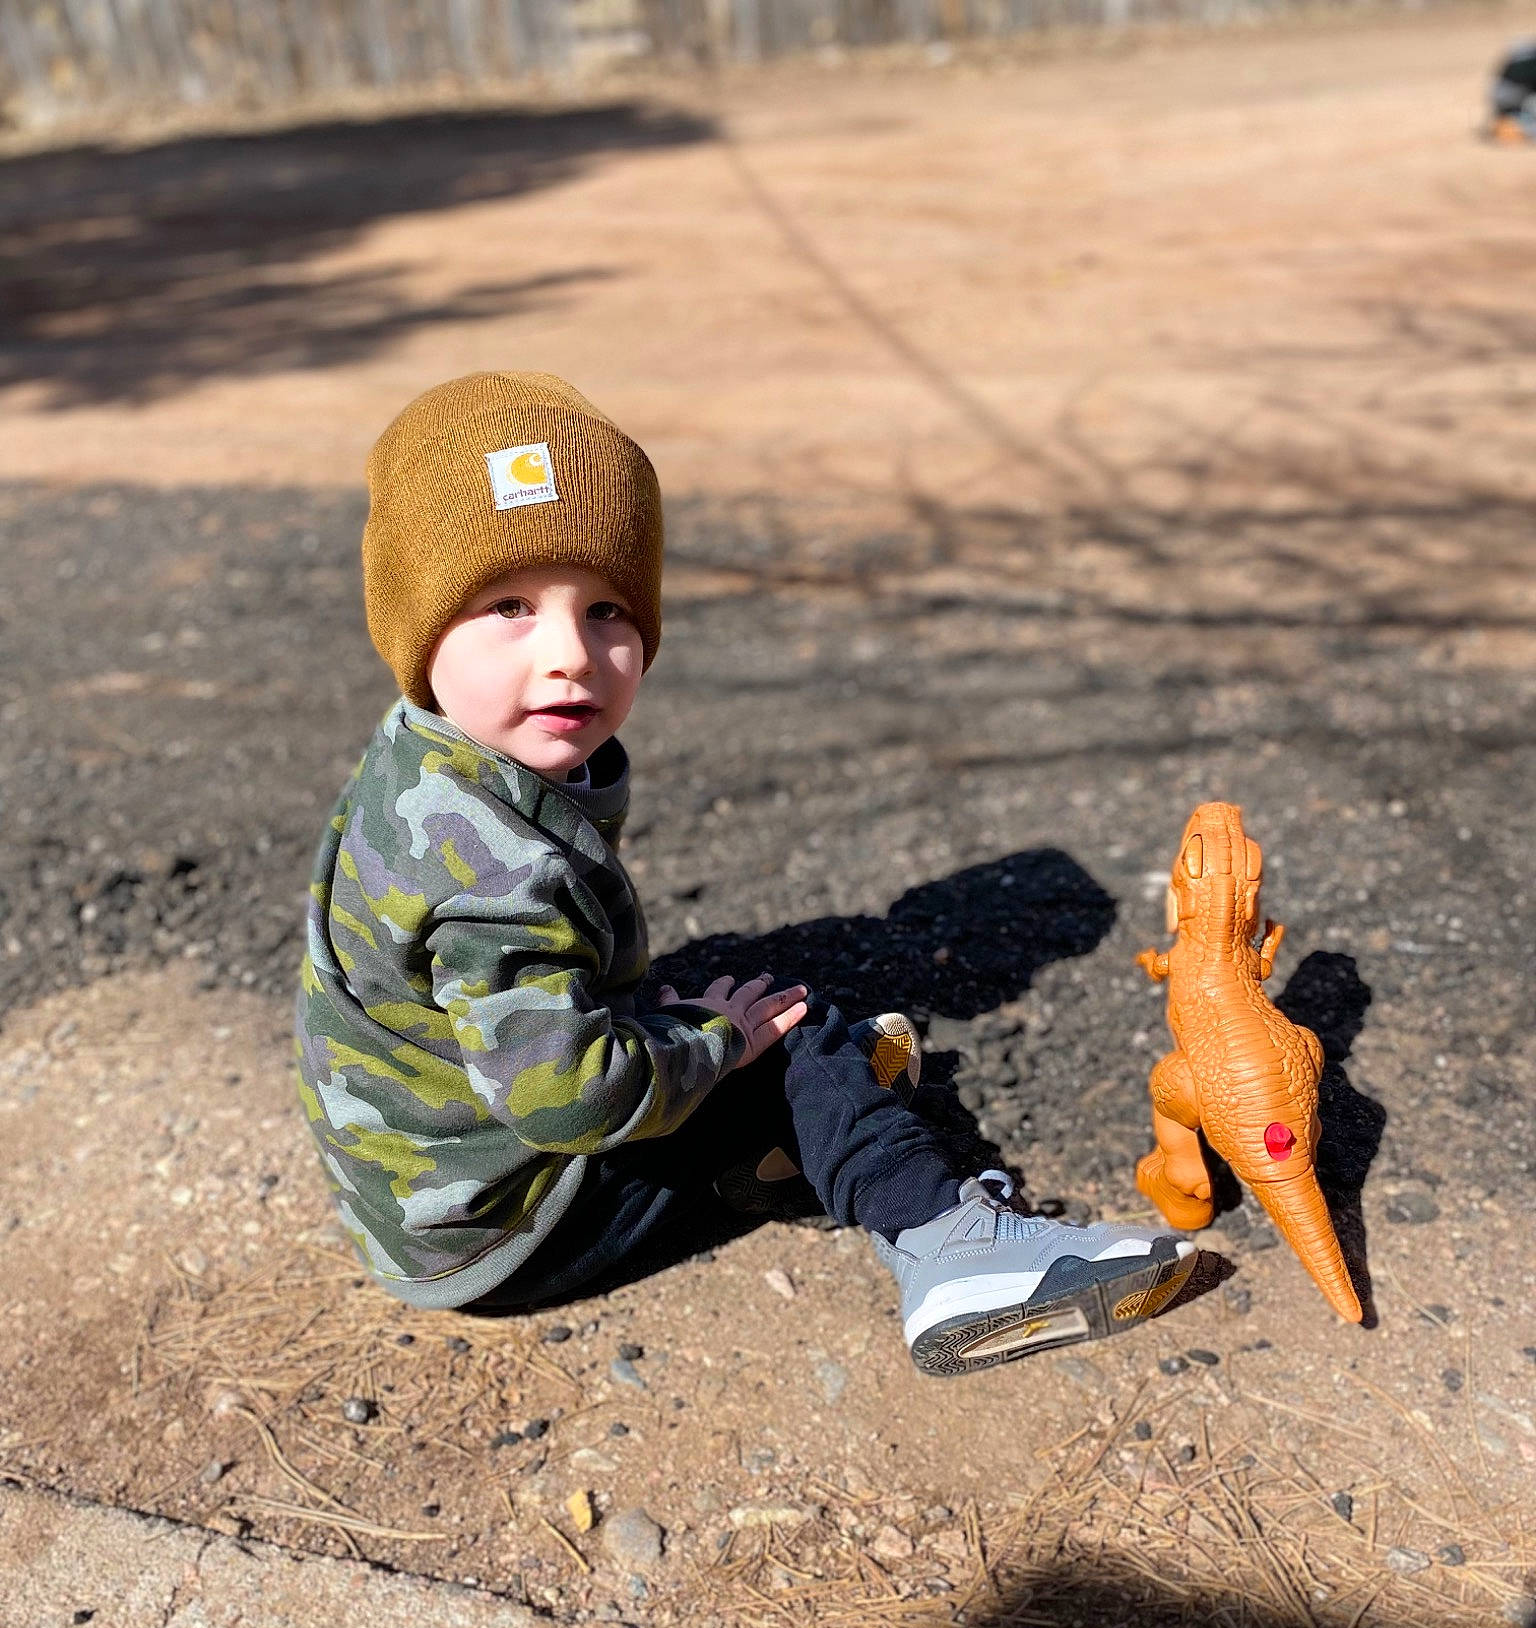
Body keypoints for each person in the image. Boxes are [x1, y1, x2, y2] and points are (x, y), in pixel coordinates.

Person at [294, 372, 1195, 1375]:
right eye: (508, 605)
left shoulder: (424, 764)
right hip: (512, 1230)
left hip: (427, 1187)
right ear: (418, 634)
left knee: (736, 1009)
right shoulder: (493, 875)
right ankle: (949, 1246)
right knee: (795, 1033)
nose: (571, 656)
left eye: (606, 610)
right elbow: (568, 1104)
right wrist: (713, 1049)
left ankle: (783, 1139)